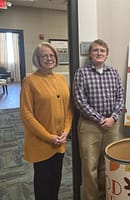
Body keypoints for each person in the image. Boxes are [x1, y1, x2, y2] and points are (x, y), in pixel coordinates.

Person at [20, 42, 73, 200]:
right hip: (41, 142)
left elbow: (69, 108)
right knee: (43, 183)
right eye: (44, 55)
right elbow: (26, 114)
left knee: (56, 180)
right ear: (37, 59)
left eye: (52, 55)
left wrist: (66, 131)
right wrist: (48, 136)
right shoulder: (30, 81)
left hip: (60, 141)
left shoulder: (61, 79)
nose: (49, 58)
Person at [73, 39, 124, 200]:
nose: (99, 53)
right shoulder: (81, 73)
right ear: (90, 54)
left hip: (112, 126)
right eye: (95, 50)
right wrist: (100, 119)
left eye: (102, 51)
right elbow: (79, 100)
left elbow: (121, 98)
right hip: (89, 126)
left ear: (107, 55)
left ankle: (105, 195)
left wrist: (113, 118)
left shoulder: (113, 73)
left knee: (108, 164)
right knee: (89, 166)